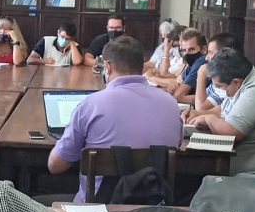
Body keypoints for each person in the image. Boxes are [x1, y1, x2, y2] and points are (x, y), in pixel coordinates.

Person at [49, 36, 183, 202]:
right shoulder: (171, 104)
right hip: (154, 209)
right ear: (141, 65)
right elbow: (177, 144)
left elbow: (56, 165)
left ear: (107, 67)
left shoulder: (91, 105)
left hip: (98, 209)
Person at [184, 49, 255, 174]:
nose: (222, 91)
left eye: (221, 87)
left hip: (251, 168)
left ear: (235, 82)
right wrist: (199, 114)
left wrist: (208, 119)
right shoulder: (244, 80)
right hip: (231, 159)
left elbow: (232, 131)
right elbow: (225, 109)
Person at [192, 32, 242, 112]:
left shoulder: (227, 84)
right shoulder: (219, 75)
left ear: (224, 55)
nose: (206, 58)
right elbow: (202, 97)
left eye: (210, 53)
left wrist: (201, 76)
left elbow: (200, 108)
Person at [169, 28, 208, 104]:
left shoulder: (202, 60)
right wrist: (172, 86)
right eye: (184, 50)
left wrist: (177, 91)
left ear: (203, 49)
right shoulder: (191, 63)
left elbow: (178, 95)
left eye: (191, 49)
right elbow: (177, 83)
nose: (187, 54)